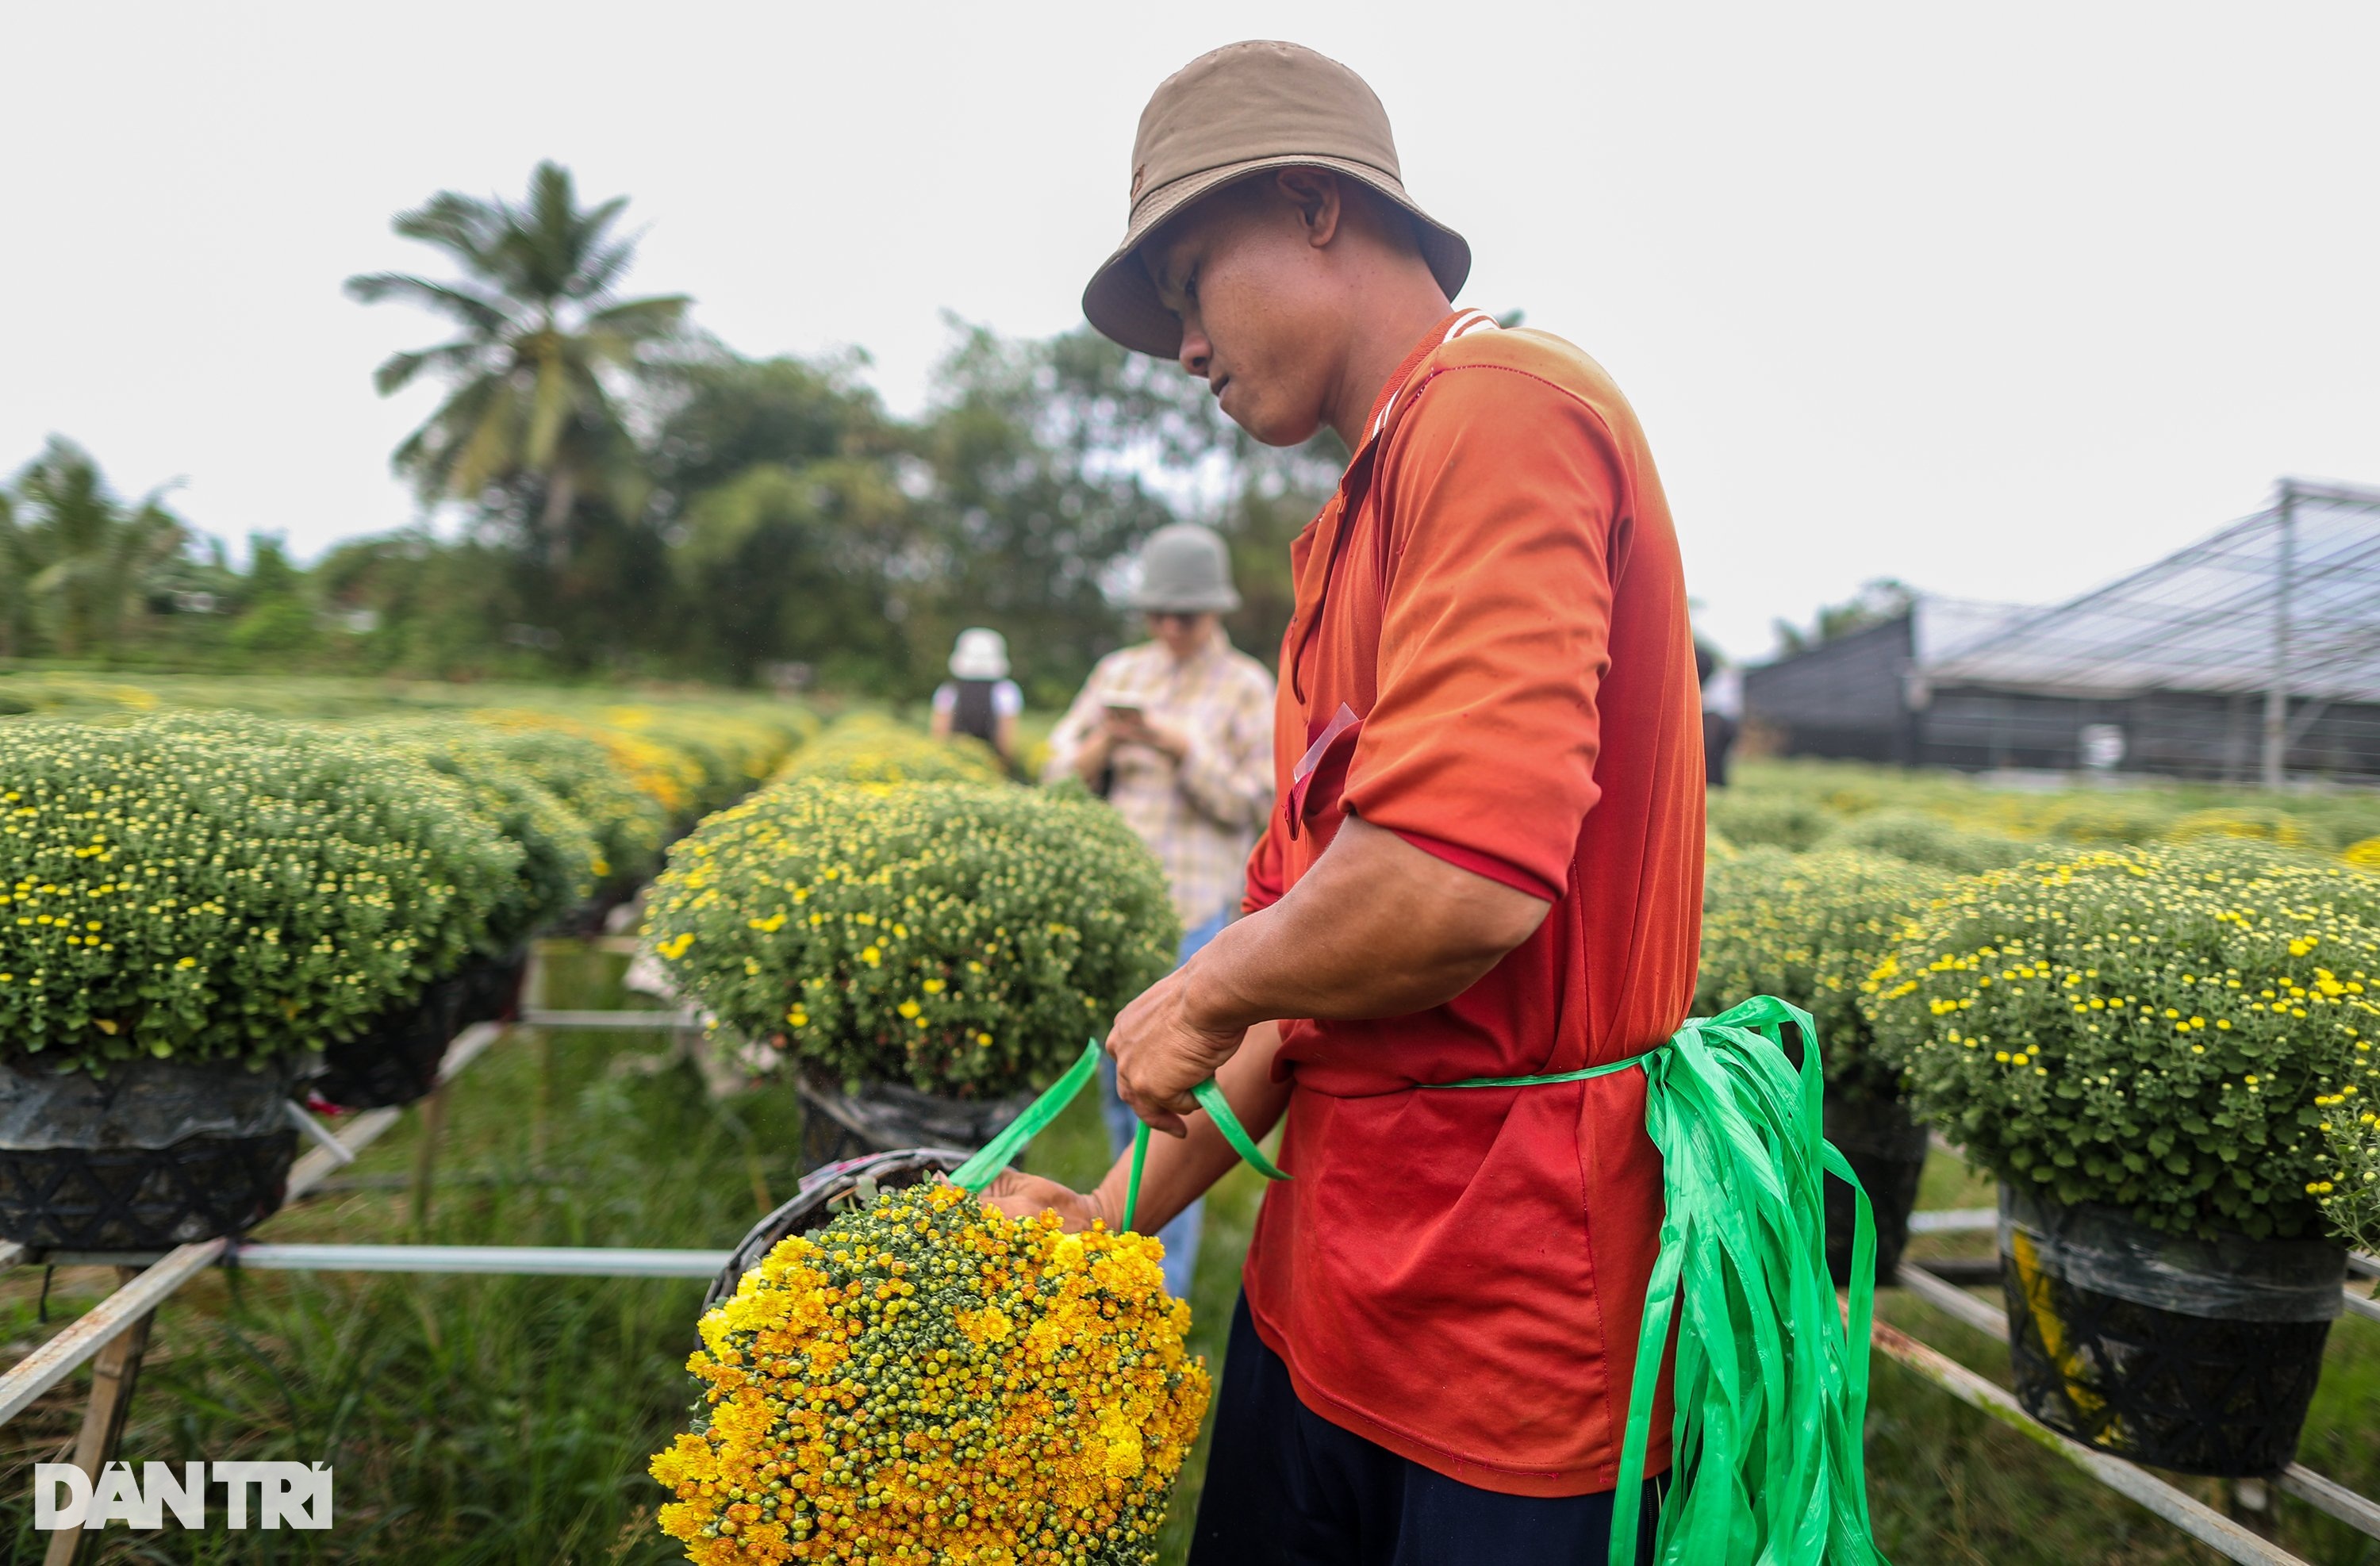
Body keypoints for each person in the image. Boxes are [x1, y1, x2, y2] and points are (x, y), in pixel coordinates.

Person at [987, 40, 1704, 1565]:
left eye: (1187, 284)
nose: (1179, 346)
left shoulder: (1505, 408)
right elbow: (1296, 977)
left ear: (1317, 207)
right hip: (1323, 1296)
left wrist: (1201, 985)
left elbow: (1452, 879)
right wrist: (1110, 1212)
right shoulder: (1341, 539)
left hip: (1509, 1333)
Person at [1042, 520, 1275, 1299]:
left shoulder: (1245, 687)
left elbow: (1263, 801)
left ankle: (1159, 1292)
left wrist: (1182, 749)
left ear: (1215, 610)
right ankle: (1117, 1249)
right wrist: (1107, 742)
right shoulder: (1118, 673)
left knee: (1177, 1112)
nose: (1173, 629)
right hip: (1113, 921)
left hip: (1196, 919)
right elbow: (1055, 778)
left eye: (1189, 614)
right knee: (1121, 1089)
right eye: (1161, 613)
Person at [928, 626, 1022, 764]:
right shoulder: (1006, 691)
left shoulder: (948, 690)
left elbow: (939, 734)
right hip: (992, 763)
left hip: (955, 762)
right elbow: (1005, 740)